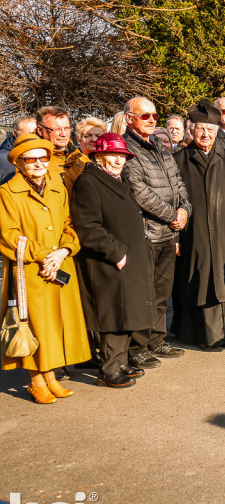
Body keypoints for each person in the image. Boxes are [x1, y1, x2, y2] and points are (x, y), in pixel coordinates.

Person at [0, 134, 90, 403]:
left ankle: (50, 376)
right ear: (19, 163)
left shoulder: (57, 187)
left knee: (55, 325)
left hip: (60, 265)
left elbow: (68, 224)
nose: (39, 163)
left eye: (43, 157)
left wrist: (64, 250)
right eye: (31, 159)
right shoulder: (6, 192)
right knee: (34, 325)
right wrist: (43, 256)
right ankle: (36, 380)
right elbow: (9, 235)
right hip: (29, 270)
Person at [71, 134, 157, 389]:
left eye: (122, 156)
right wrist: (115, 252)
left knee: (125, 313)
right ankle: (109, 369)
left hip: (128, 258)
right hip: (109, 261)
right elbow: (87, 225)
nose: (119, 160)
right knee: (112, 316)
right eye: (113, 155)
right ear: (98, 156)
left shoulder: (114, 180)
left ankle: (119, 362)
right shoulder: (89, 181)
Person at [173, 99, 225, 348]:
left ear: (217, 132)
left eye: (210, 130)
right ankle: (204, 335)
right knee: (199, 280)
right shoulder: (178, 160)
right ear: (191, 131)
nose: (205, 134)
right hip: (193, 233)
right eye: (200, 129)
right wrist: (175, 238)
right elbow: (173, 200)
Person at [121, 96, 189, 366]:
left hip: (168, 232)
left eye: (154, 116)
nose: (151, 120)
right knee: (143, 293)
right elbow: (139, 191)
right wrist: (173, 215)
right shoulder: (126, 147)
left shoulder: (160, 146)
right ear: (129, 118)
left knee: (162, 291)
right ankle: (137, 346)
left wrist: (185, 210)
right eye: (144, 116)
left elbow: (178, 181)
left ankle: (156, 340)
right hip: (145, 232)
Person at [36, 106, 85, 191]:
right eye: (56, 129)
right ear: (40, 130)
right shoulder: (33, 162)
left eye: (67, 128)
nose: (63, 134)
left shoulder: (81, 159)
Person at [65, 117, 105, 191]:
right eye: (87, 136)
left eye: (98, 136)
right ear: (78, 139)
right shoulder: (72, 163)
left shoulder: (112, 161)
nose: (93, 139)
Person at [0, 115, 37, 184]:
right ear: (15, 133)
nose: (34, 137)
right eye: (30, 133)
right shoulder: (3, 158)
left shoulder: (43, 154)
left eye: (37, 133)